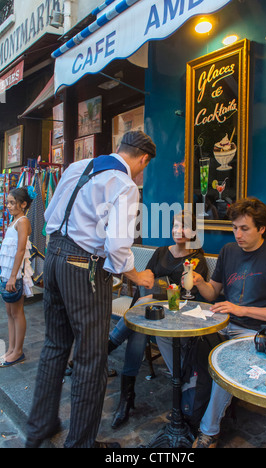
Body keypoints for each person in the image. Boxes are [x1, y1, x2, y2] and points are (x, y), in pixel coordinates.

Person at [25, 130, 156, 449]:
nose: (142, 171)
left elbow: (48, 216)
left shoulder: (77, 167)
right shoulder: (125, 184)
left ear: (118, 148)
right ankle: (80, 443)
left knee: (55, 346)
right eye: (144, 166)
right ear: (143, 159)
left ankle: (39, 428)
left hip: (54, 259)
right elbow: (118, 245)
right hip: (83, 269)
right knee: (90, 358)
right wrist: (137, 276)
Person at [190, 197, 266, 448]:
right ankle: (189, 396)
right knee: (173, 336)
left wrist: (240, 308)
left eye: (245, 228)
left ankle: (209, 431)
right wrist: (199, 281)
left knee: (225, 366)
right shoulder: (228, 251)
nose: (237, 234)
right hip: (222, 322)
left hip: (255, 332)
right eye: (235, 228)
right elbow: (212, 292)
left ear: (261, 228)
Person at [108, 211, 208, 429]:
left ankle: (109, 347)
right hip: (148, 307)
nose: (177, 231)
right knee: (140, 327)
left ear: (193, 231)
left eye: (183, 226)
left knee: (141, 324)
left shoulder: (197, 261)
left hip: (175, 315)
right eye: (175, 225)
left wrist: (154, 296)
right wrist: (145, 300)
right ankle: (126, 396)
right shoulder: (162, 252)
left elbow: (186, 296)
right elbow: (147, 278)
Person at [0, 187, 35, 368]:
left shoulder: (23, 221)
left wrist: (13, 277)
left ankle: (18, 351)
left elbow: (21, 250)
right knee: (9, 312)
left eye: (13, 202)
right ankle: (11, 349)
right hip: (7, 273)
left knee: (17, 311)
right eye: (8, 202)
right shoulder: (14, 221)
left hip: (15, 275)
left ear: (23, 204)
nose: (9, 206)